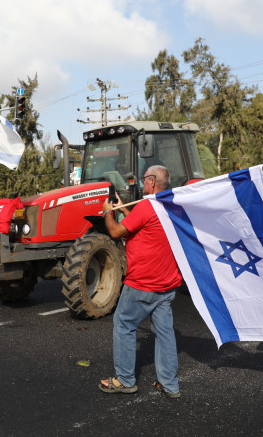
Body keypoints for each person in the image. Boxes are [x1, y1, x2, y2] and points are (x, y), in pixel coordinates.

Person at [98, 165, 183, 399]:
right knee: (165, 333)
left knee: (124, 324)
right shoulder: (171, 206)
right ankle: (170, 385)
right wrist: (124, 211)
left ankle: (125, 380)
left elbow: (116, 232)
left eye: (145, 179)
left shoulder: (147, 205)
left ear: (152, 182)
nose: (143, 182)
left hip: (143, 284)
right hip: (167, 285)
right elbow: (141, 225)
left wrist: (108, 212)